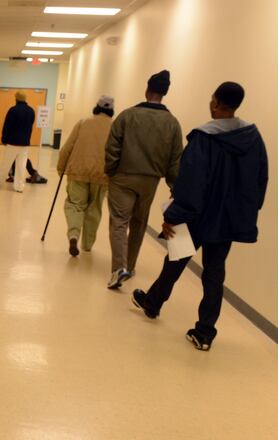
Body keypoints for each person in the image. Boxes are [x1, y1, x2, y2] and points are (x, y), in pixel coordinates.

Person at [131, 82, 268, 351]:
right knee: (214, 274)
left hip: (196, 217)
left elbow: (190, 183)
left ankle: (153, 304)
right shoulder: (253, 139)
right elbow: (260, 179)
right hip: (226, 220)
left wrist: (173, 215)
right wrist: (246, 212)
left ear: (215, 102)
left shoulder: (204, 138)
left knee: (175, 260)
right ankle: (204, 332)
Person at [105, 70, 184, 289]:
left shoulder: (127, 116)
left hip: (123, 176)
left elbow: (112, 146)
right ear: (165, 93)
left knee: (119, 221)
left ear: (147, 89)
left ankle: (117, 268)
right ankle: (129, 266)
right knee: (139, 223)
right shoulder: (172, 123)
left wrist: (111, 170)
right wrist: (174, 186)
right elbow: (175, 158)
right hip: (150, 181)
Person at [58, 96, 115, 257]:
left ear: (96, 107)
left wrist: (61, 168)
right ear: (111, 110)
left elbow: (67, 147)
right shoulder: (115, 126)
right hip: (102, 174)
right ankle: (87, 245)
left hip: (78, 172)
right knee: (94, 208)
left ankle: (74, 235)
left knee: (75, 205)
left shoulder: (83, 123)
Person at [0, 91, 35, 192]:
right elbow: (30, 125)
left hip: (13, 142)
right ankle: (19, 187)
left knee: (7, 162)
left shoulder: (13, 110)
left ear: (16, 98)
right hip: (25, 143)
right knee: (22, 164)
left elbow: (7, 126)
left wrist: (4, 138)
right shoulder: (31, 111)